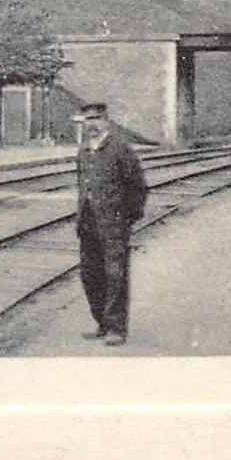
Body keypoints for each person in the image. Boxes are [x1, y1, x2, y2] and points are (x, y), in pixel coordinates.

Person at [73, 101, 148, 347]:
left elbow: (137, 187)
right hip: (88, 223)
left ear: (106, 121)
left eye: (96, 119)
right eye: (88, 120)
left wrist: (126, 218)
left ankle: (117, 327)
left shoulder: (120, 149)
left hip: (114, 224)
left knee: (115, 275)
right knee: (90, 274)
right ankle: (102, 323)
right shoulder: (84, 150)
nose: (92, 124)